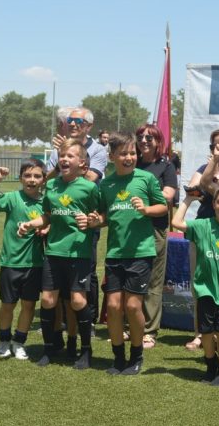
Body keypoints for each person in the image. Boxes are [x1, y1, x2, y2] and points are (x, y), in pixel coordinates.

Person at [88, 132, 167, 375]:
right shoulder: (107, 184)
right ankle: (118, 357)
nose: (129, 157)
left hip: (141, 252)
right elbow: (104, 215)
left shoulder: (146, 179)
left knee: (133, 306)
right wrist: (95, 220)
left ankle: (136, 355)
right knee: (112, 306)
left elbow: (163, 206)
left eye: (132, 153)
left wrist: (146, 209)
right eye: (123, 153)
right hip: (115, 253)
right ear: (111, 157)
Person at [18, 138, 100, 369]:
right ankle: (50, 347)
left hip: (79, 253)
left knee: (76, 301)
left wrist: (93, 221)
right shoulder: (52, 186)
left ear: (83, 165)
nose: (64, 159)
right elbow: (48, 215)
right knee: (47, 300)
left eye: (70, 156)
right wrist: (31, 224)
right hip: (53, 251)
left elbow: (100, 215)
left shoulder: (90, 188)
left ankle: (85, 349)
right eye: (62, 156)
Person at [172, 185, 219, 386]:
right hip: (205, 290)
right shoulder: (203, 225)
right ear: (213, 204)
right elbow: (175, 222)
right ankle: (210, 366)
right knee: (205, 332)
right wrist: (188, 200)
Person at [46, 107, 107, 357]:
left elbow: (90, 180)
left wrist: (93, 220)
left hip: (80, 241)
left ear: (88, 126)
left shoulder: (98, 151)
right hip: (55, 242)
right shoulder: (57, 158)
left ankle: (83, 341)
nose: (71, 124)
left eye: (77, 121)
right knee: (51, 298)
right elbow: (46, 181)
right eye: (68, 120)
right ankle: (55, 344)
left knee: (78, 296)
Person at [0, 161, 46, 360]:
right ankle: (4, 340)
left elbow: (52, 222)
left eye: (36, 176)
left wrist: (46, 228)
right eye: (27, 175)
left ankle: (19, 342)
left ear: (43, 180)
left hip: (35, 264)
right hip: (10, 263)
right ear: (20, 178)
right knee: (8, 304)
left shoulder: (46, 202)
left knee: (29, 306)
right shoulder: (12, 198)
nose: (31, 180)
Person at [183, 127, 219, 350]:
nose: (215, 149)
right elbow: (198, 186)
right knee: (199, 285)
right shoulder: (204, 167)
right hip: (203, 231)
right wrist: (213, 165)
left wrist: (215, 177)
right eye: (213, 145)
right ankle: (201, 332)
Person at [135, 123, 178, 349]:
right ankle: (132, 325)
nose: (144, 140)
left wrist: (142, 197)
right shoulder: (131, 161)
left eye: (149, 138)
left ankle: (149, 331)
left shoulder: (166, 166)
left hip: (155, 228)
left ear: (158, 141)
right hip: (130, 227)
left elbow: (167, 197)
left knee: (153, 280)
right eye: (140, 137)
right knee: (132, 279)